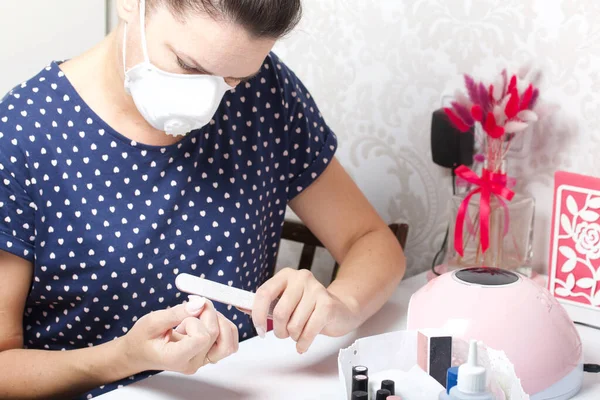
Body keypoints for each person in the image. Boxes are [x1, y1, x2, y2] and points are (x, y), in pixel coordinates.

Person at [0, 0, 406, 398]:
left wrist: (339, 304)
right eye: (188, 66)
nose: (206, 105)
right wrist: (123, 358)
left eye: (233, 81)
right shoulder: (21, 137)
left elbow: (370, 239)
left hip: (250, 385)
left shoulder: (266, 93)